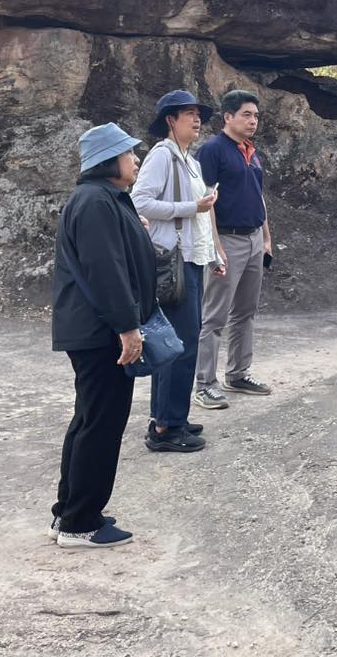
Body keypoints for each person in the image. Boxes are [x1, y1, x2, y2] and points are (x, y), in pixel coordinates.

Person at [50, 122, 157, 549]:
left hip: (92, 330)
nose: (136, 160)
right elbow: (106, 271)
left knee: (88, 421)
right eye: (130, 154)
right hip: (101, 333)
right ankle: (82, 524)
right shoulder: (96, 202)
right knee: (101, 424)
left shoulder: (102, 199)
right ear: (110, 160)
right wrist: (128, 329)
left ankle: (69, 513)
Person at [131, 90, 221, 453]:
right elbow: (139, 201)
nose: (197, 120)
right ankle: (166, 428)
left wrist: (212, 251)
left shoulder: (191, 160)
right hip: (174, 262)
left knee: (182, 342)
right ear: (170, 120)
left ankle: (171, 417)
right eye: (188, 114)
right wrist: (191, 206)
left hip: (191, 258)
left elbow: (198, 215)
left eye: (198, 114)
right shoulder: (161, 156)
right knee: (178, 345)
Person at [193, 89, 273, 408]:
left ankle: (238, 373)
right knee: (214, 315)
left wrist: (266, 238)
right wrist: (215, 246)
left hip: (253, 239)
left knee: (246, 312)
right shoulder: (212, 151)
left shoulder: (251, 151)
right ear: (228, 117)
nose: (253, 120)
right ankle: (204, 383)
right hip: (226, 239)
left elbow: (258, 196)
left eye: (255, 115)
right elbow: (206, 200)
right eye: (246, 114)